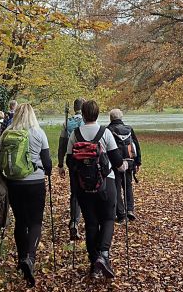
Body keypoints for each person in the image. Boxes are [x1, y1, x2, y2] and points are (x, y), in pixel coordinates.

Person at [66, 100, 127, 279]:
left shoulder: (75, 134)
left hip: (83, 186)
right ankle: (104, 254)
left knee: (91, 223)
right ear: (97, 114)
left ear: (83, 115)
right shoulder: (105, 133)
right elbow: (116, 161)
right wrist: (123, 165)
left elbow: (70, 162)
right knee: (108, 218)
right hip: (106, 183)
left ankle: (94, 263)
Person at [0, 103, 52, 287]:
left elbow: (0, 156)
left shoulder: (7, 133)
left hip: (14, 183)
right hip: (35, 182)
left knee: (21, 221)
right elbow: (47, 163)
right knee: (36, 221)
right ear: (32, 115)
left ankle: (21, 257)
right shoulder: (39, 133)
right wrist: (48, 171)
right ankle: (30, 257)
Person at [108, 109, 142, 223]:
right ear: (121, 117)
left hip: (115, 163)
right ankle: (130, 210)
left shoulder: (108, 130)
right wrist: (138, 162)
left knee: (116, 187)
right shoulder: (129, 128)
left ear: (111, 118)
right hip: (129, 161)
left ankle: (121, 214)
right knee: (127, 186)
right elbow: (136, 145)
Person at [58, 98, 84, 240]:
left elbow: (62, 144)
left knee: (75, 192)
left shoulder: (67, 122)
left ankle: (74, 221)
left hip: (72, 160)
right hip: (88, 160)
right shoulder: (88, 121)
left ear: (74, 108)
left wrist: (60, 164)